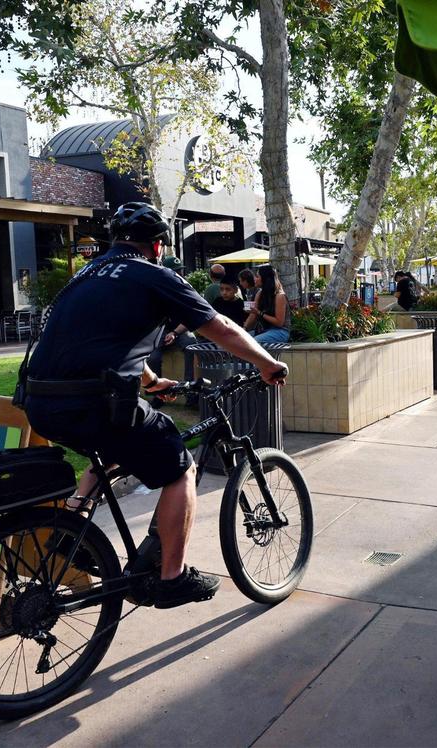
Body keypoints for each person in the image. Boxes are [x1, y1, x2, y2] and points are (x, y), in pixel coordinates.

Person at [23, 202, 287, 609]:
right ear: (159, 245)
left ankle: (69, 535)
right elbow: (220, 327)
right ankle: (171, 578)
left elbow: (110, 340)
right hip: (94, 401)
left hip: (39, 401)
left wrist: (150, 381)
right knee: (181, 468)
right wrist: (267, 363)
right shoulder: (152, 274)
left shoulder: (85, 275)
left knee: (111, 452)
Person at [244, 263, 291, 344]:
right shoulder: (259, 293)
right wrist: (244, 329)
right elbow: (253, 315)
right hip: (263, 330)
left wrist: (259, 313)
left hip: (280, 331)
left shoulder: (279, 296)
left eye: (257, 276)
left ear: (265, 278)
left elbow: (279, 322)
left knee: (253, 343)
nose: (254, 279)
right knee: (240, 341)